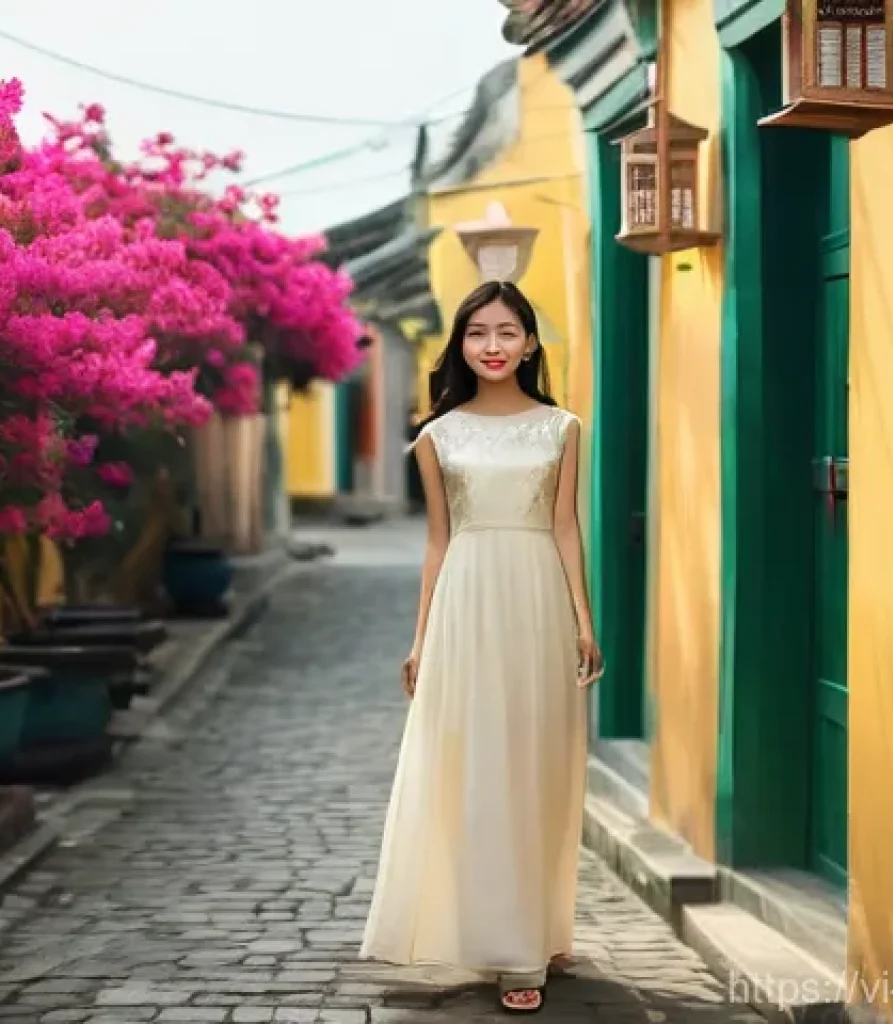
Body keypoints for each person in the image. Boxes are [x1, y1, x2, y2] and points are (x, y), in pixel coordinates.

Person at [359, 279, 603, 1015]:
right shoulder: (438, 436)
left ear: (530, 342)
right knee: (476, 764)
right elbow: (438, 540)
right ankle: (506, 947)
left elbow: (564, 527)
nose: (492, 346)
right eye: (477, 333)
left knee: (540, 765)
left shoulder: (563, 427)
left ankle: (542, 928)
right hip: (467, 602)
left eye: (506, 332)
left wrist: (583, 619)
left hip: (535, 600)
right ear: (460, 344)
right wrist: (420, 636)